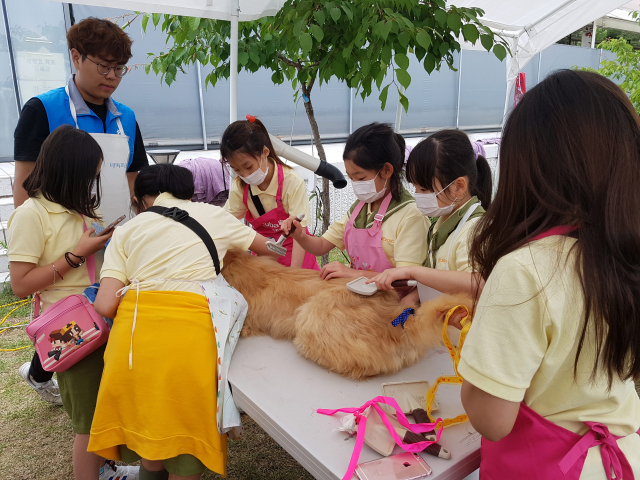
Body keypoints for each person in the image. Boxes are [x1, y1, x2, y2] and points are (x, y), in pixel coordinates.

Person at [459, 70, 640, 478]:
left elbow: (492, 419)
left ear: (527, 166)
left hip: (549, 467)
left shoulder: (525, 271)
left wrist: (477, 363)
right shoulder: (626, 252)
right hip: (623, 459)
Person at [89, 164, 277, 480]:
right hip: (192, 336)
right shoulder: (214, 215)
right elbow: (270, 249)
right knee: (187, 442)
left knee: (149, 433)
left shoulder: (127, 230)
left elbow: (105, 303)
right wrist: (283, 236)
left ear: (139, 201)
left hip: (133, 342)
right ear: (190, 193)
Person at [14, 17, 148, 407]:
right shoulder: (43, 108)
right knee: (70, 310)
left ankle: (66, 374)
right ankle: (52, 370)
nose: (112, 77)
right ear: (76, 56)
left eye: (119, 68)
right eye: (103, 66)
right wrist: (33, 241)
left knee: (105, 317)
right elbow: (25, 181)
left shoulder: (127, 115)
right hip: (65, 238)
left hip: (115, 233)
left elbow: (134, 178)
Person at [7, 125, 137, 480]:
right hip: (68, 330)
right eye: (88, 177)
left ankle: (108, 470)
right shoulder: (30, 215)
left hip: (99, 320)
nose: (92, 185)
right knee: (89, 422)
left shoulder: (78, 210)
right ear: (68, 172)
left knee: (105, 409)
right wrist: (75, 256)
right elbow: (20, 284)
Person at [282, 123, 428, 281]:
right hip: (361, 300)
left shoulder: (411, 217)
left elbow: (406, 279)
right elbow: (321, 246)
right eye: (351, 178)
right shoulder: (359, 210)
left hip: (394, 303)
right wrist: (299, 235)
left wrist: (353, 273)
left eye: (361, 178)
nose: (356, 184)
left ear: (387, 170)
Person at [367, 130, 493, 303]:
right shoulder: (442, 223)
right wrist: (407, 304)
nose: (417, 195)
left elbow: (477, 284)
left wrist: (412, 271)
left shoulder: (475, 229)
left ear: (458, 186)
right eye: (416, 188)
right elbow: (435, 279)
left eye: (424, 190)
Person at [222, 116, 319, 270]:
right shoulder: (240, 186)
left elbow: (300, 235)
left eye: (248, 166)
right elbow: (225, 220)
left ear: (265, 152)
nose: (244, 175)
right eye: (237, 170)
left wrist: (294, 275)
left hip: (297, 259)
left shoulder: (291, 181)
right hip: (265, 260)